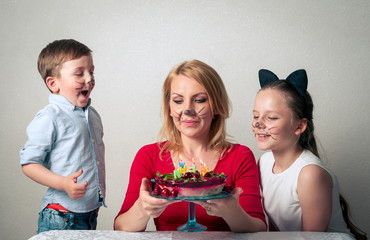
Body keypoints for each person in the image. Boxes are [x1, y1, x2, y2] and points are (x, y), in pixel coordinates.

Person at [114, 60, 266, 232]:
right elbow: (120, 227)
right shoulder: (149, 155)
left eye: (200, 100)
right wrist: (143, 207)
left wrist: (232, 212)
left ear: (216, 105)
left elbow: (259, 229)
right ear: (169, 108)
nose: (188, 110)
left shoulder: (240, 156)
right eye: (178, 101)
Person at [252, 69, 367, 239]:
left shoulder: (309, 174)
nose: (258, 124)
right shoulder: (264, 162)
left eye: (272, 118)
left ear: (299, 126)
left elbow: (312, 238)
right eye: (256, 116)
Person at [20, 39, 106, 233]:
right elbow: (29, 164)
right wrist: (63, 183)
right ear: (53, 83)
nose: (89, 78)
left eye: (91, 71)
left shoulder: (93, 115)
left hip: (89, 213)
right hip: (61, 216)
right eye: (79, 73)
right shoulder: (50, 117)